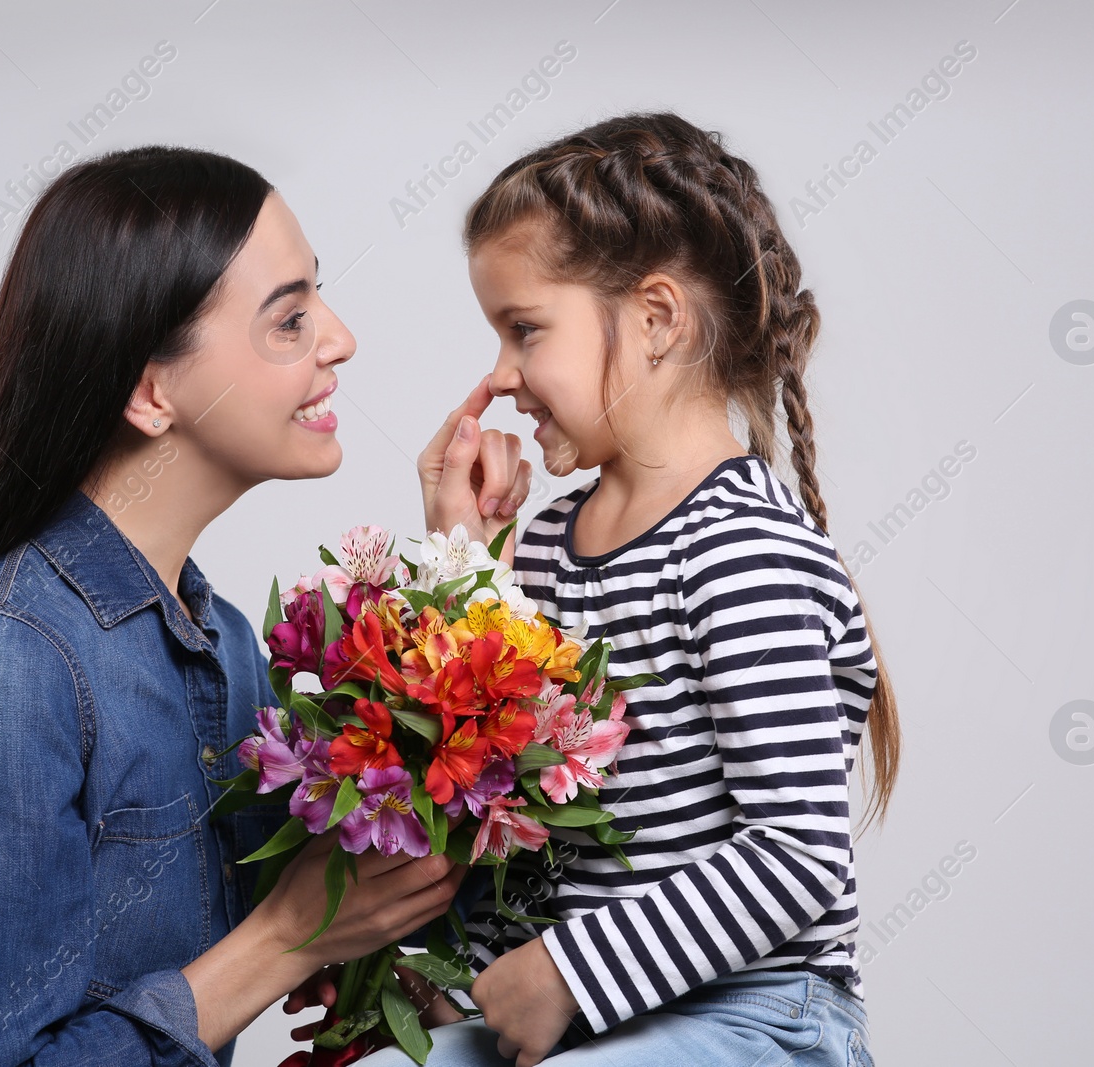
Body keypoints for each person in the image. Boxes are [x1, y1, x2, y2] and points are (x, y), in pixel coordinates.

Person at [0, 145, 526, 1067]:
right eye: (288, 320)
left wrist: (461, 568)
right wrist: (288, 938)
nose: (340, 337)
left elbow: (396, 859)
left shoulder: (228, 646)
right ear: (151, 391)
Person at [354, 112, 902, 1066]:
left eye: (524, 330)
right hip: (596, 1019)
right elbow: (509, 811)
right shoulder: (553, 546)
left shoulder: (743, 549)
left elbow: (800, 853)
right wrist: (461, 566)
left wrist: (566, 972)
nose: (502, 375)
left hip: (753, 1019)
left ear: (654, 319)